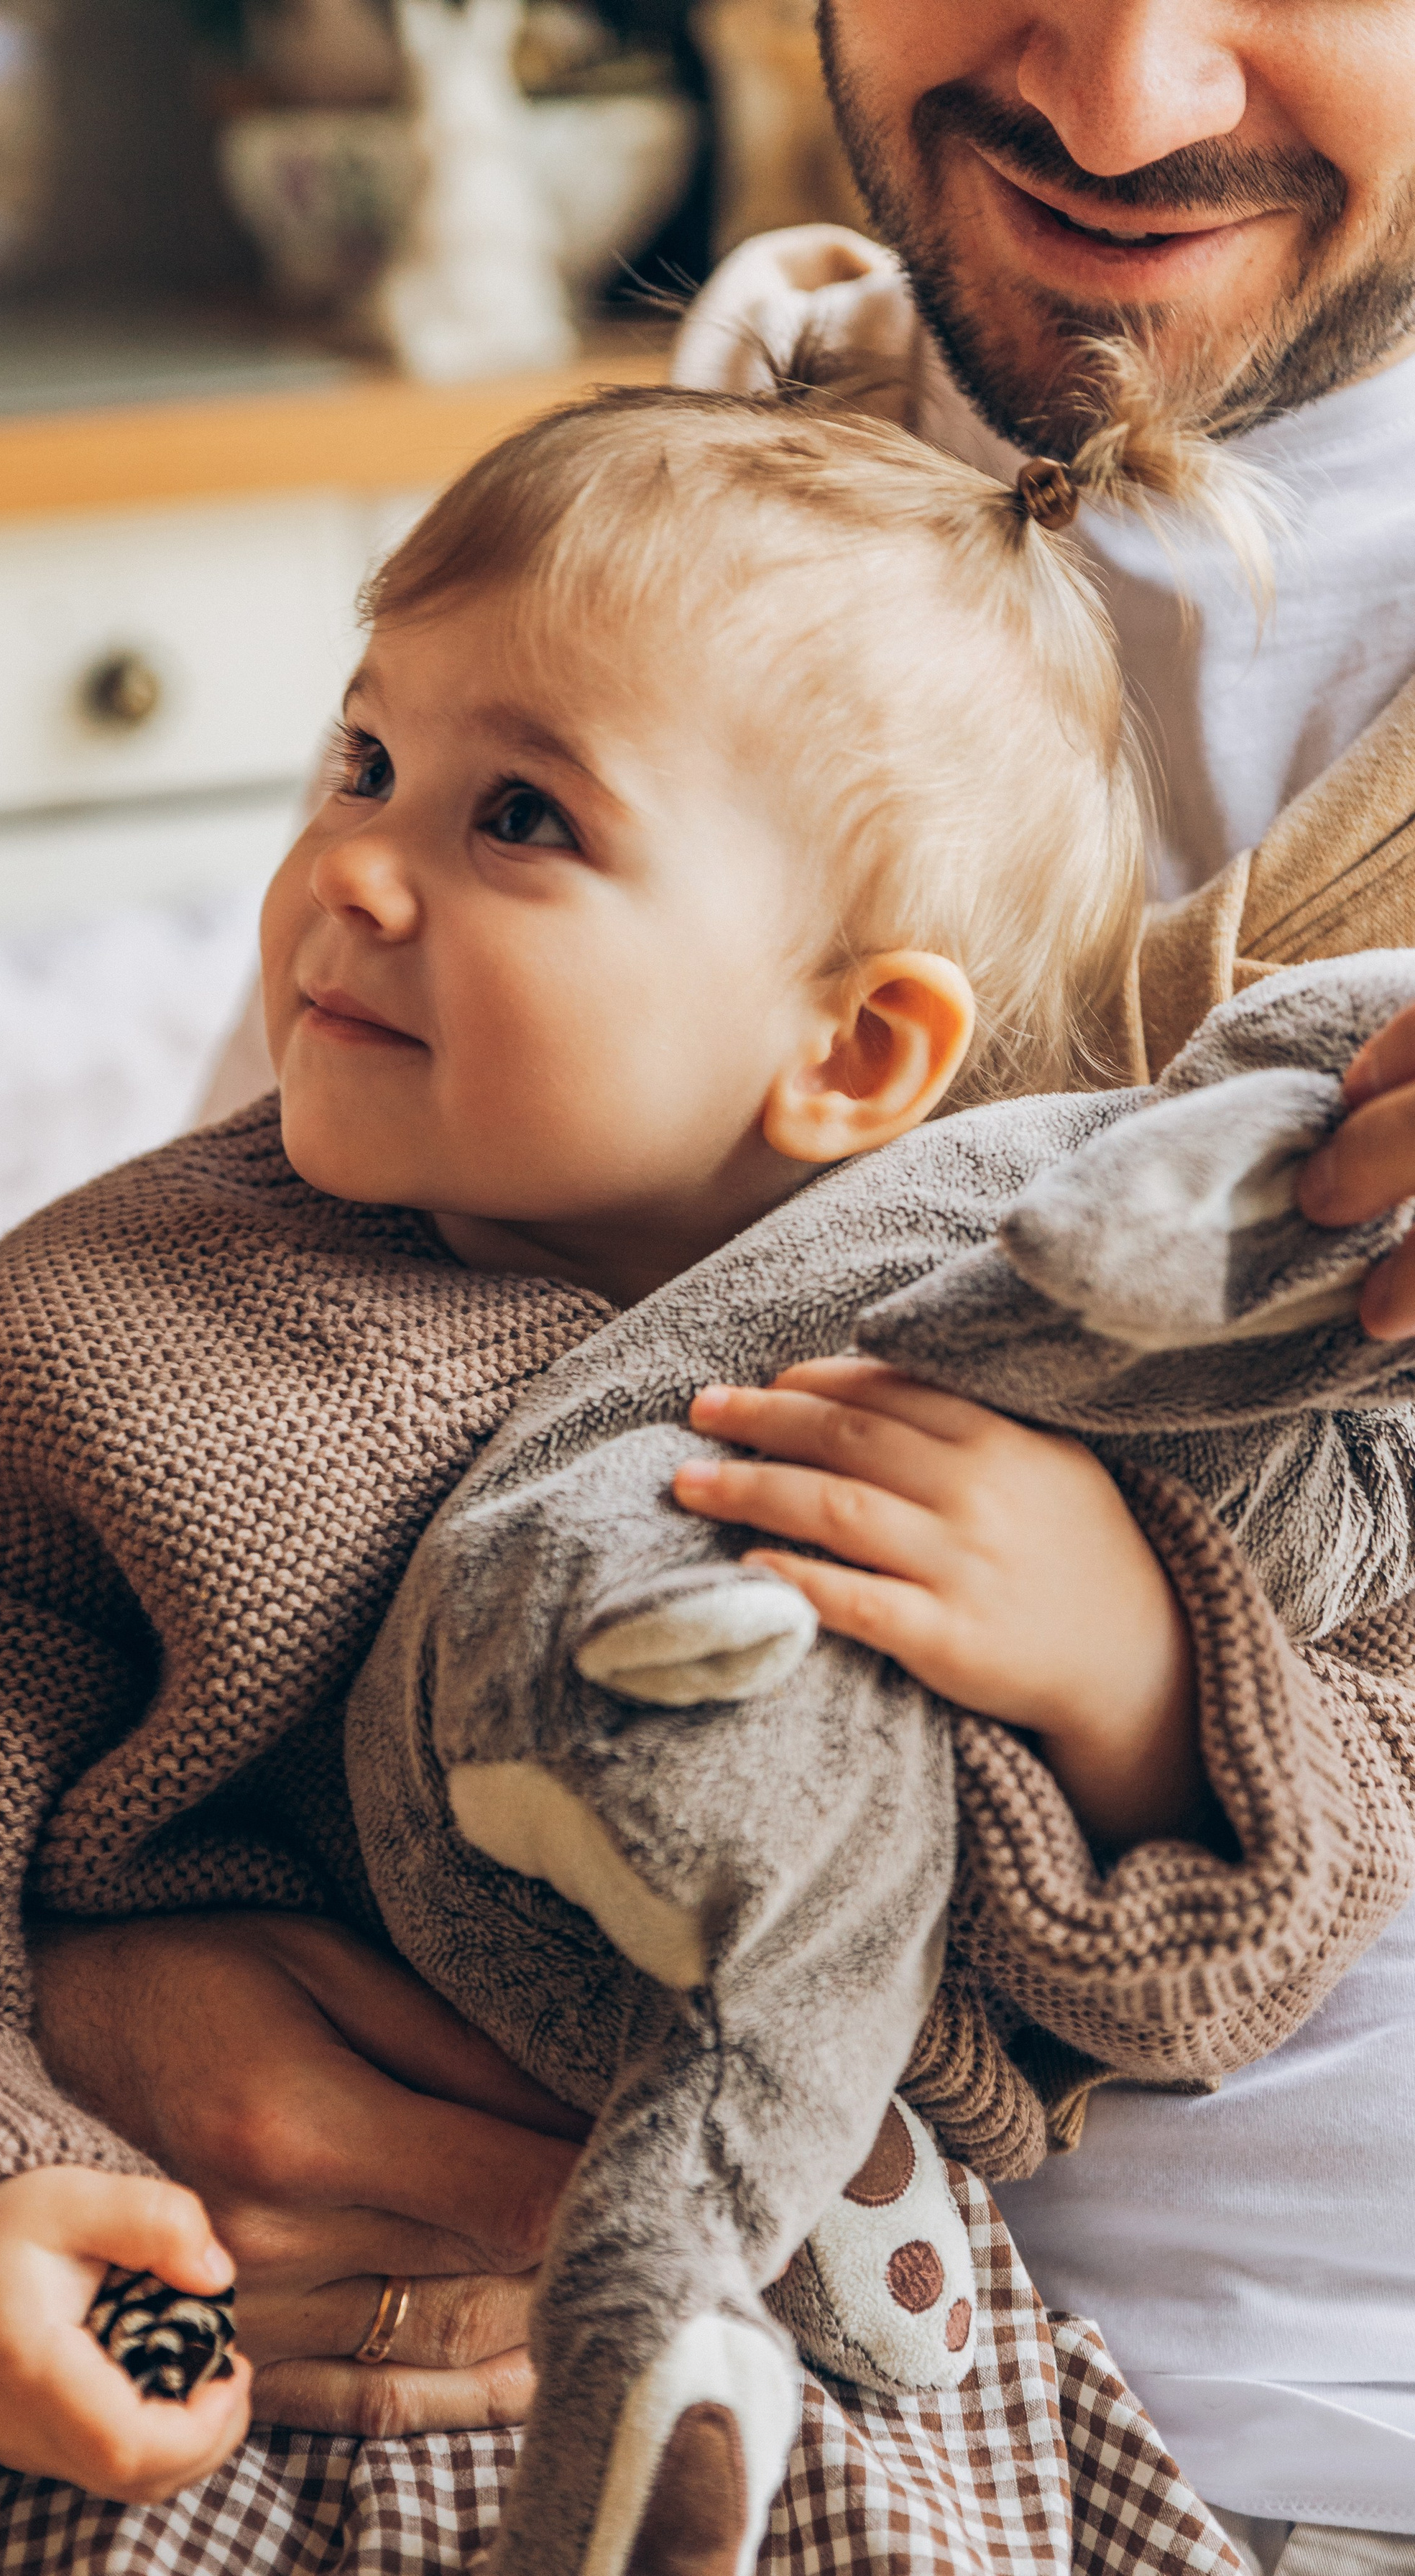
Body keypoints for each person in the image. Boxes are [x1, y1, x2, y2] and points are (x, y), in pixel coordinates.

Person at [0, 372, 1396, 2576]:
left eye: (517, 818)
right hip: (179, 2406)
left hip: (804, 2419)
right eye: (363, 756)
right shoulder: (116, 1329)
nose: (353, 862)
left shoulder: (967, 1391)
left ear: (856, 1049)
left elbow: (1169, 1992)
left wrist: (1121, 1682)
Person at [660, 6, 1415, 2568]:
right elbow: (262, 1392)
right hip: (679, 2350)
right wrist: (125, 2001)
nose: (1118, 103)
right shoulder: (667, 509)